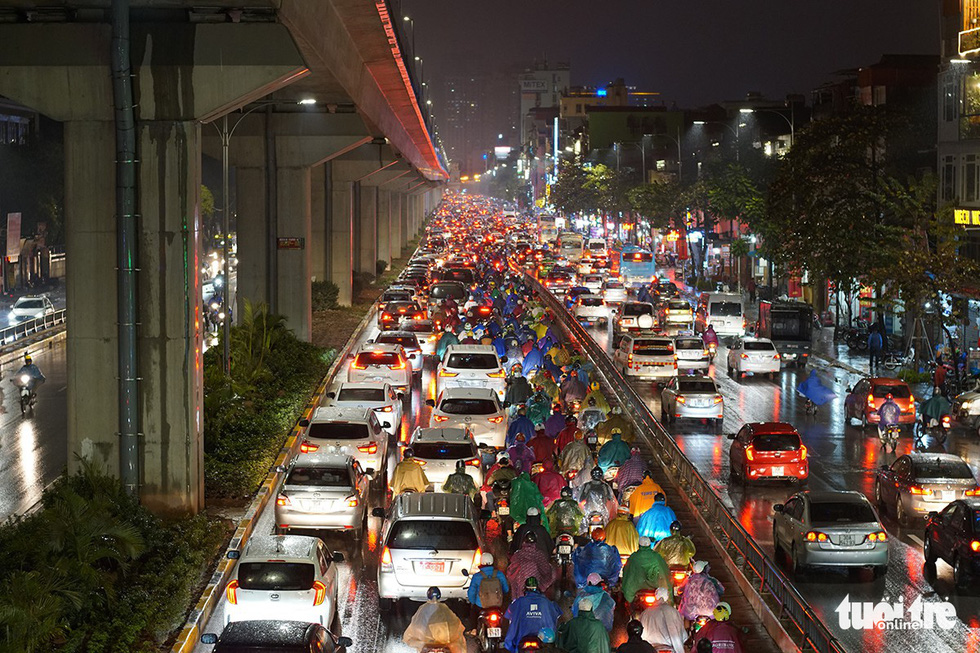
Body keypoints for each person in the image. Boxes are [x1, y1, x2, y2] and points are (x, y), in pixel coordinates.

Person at [503, 577, 562, 653]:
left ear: (525, 588)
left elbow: (509, 616)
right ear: (538, 588)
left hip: (521, 640)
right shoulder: (547, 602)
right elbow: (557, 614)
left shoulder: (518, 602)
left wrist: (509, 645)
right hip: (543, 641)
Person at [403, 587, 467, 653]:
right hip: (443, 645)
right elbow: (456, 626)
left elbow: (412, 632)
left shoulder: (423, 611)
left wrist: (422, 644)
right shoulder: (445, 610)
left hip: (428, 646)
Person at [507, 532, 558, 599]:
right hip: (535, 587)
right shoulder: (539, 555)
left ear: (524, 541)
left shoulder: (517, 554)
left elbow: (511, 570)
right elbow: (546, 570)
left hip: (519, 590)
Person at [621, 536, 672, 602]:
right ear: (650, 545)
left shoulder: (634, 557)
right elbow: (665, 571)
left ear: (639, 545)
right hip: (655, 587)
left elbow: (627, 572)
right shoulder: (656, 557)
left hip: (637, 589)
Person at [637, 588, 687, 653]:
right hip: (670, 648)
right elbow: (680, 632)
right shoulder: (672, 611)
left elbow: (641, 635)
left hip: (651, 648)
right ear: (667, 596)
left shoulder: (645, 613)